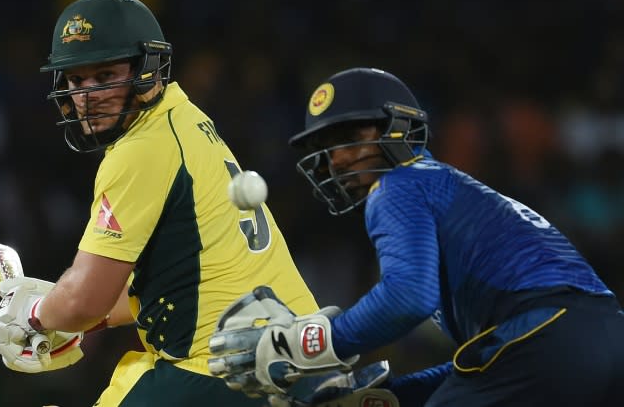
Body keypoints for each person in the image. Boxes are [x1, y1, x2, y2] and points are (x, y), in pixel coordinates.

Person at [209, 67, 624, 406]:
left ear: (398, 129)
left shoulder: (397, 186)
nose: (336, 159)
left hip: (546, 342)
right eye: (326, 146)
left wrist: (304, 343)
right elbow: (491, 361)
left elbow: (407, 297)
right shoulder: (448, 186)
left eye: (349, 138)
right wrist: (389, 397)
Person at [0, 0, 318, 406]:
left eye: (104, 76)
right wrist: (76, 318)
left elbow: (85, 298)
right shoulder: (186, 118)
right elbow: (172, 286)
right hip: (296, 352)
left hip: (222, 367)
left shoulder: (140, 149)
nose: (87, 96)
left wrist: (35, 315)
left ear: (149, 69)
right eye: (75, 80)